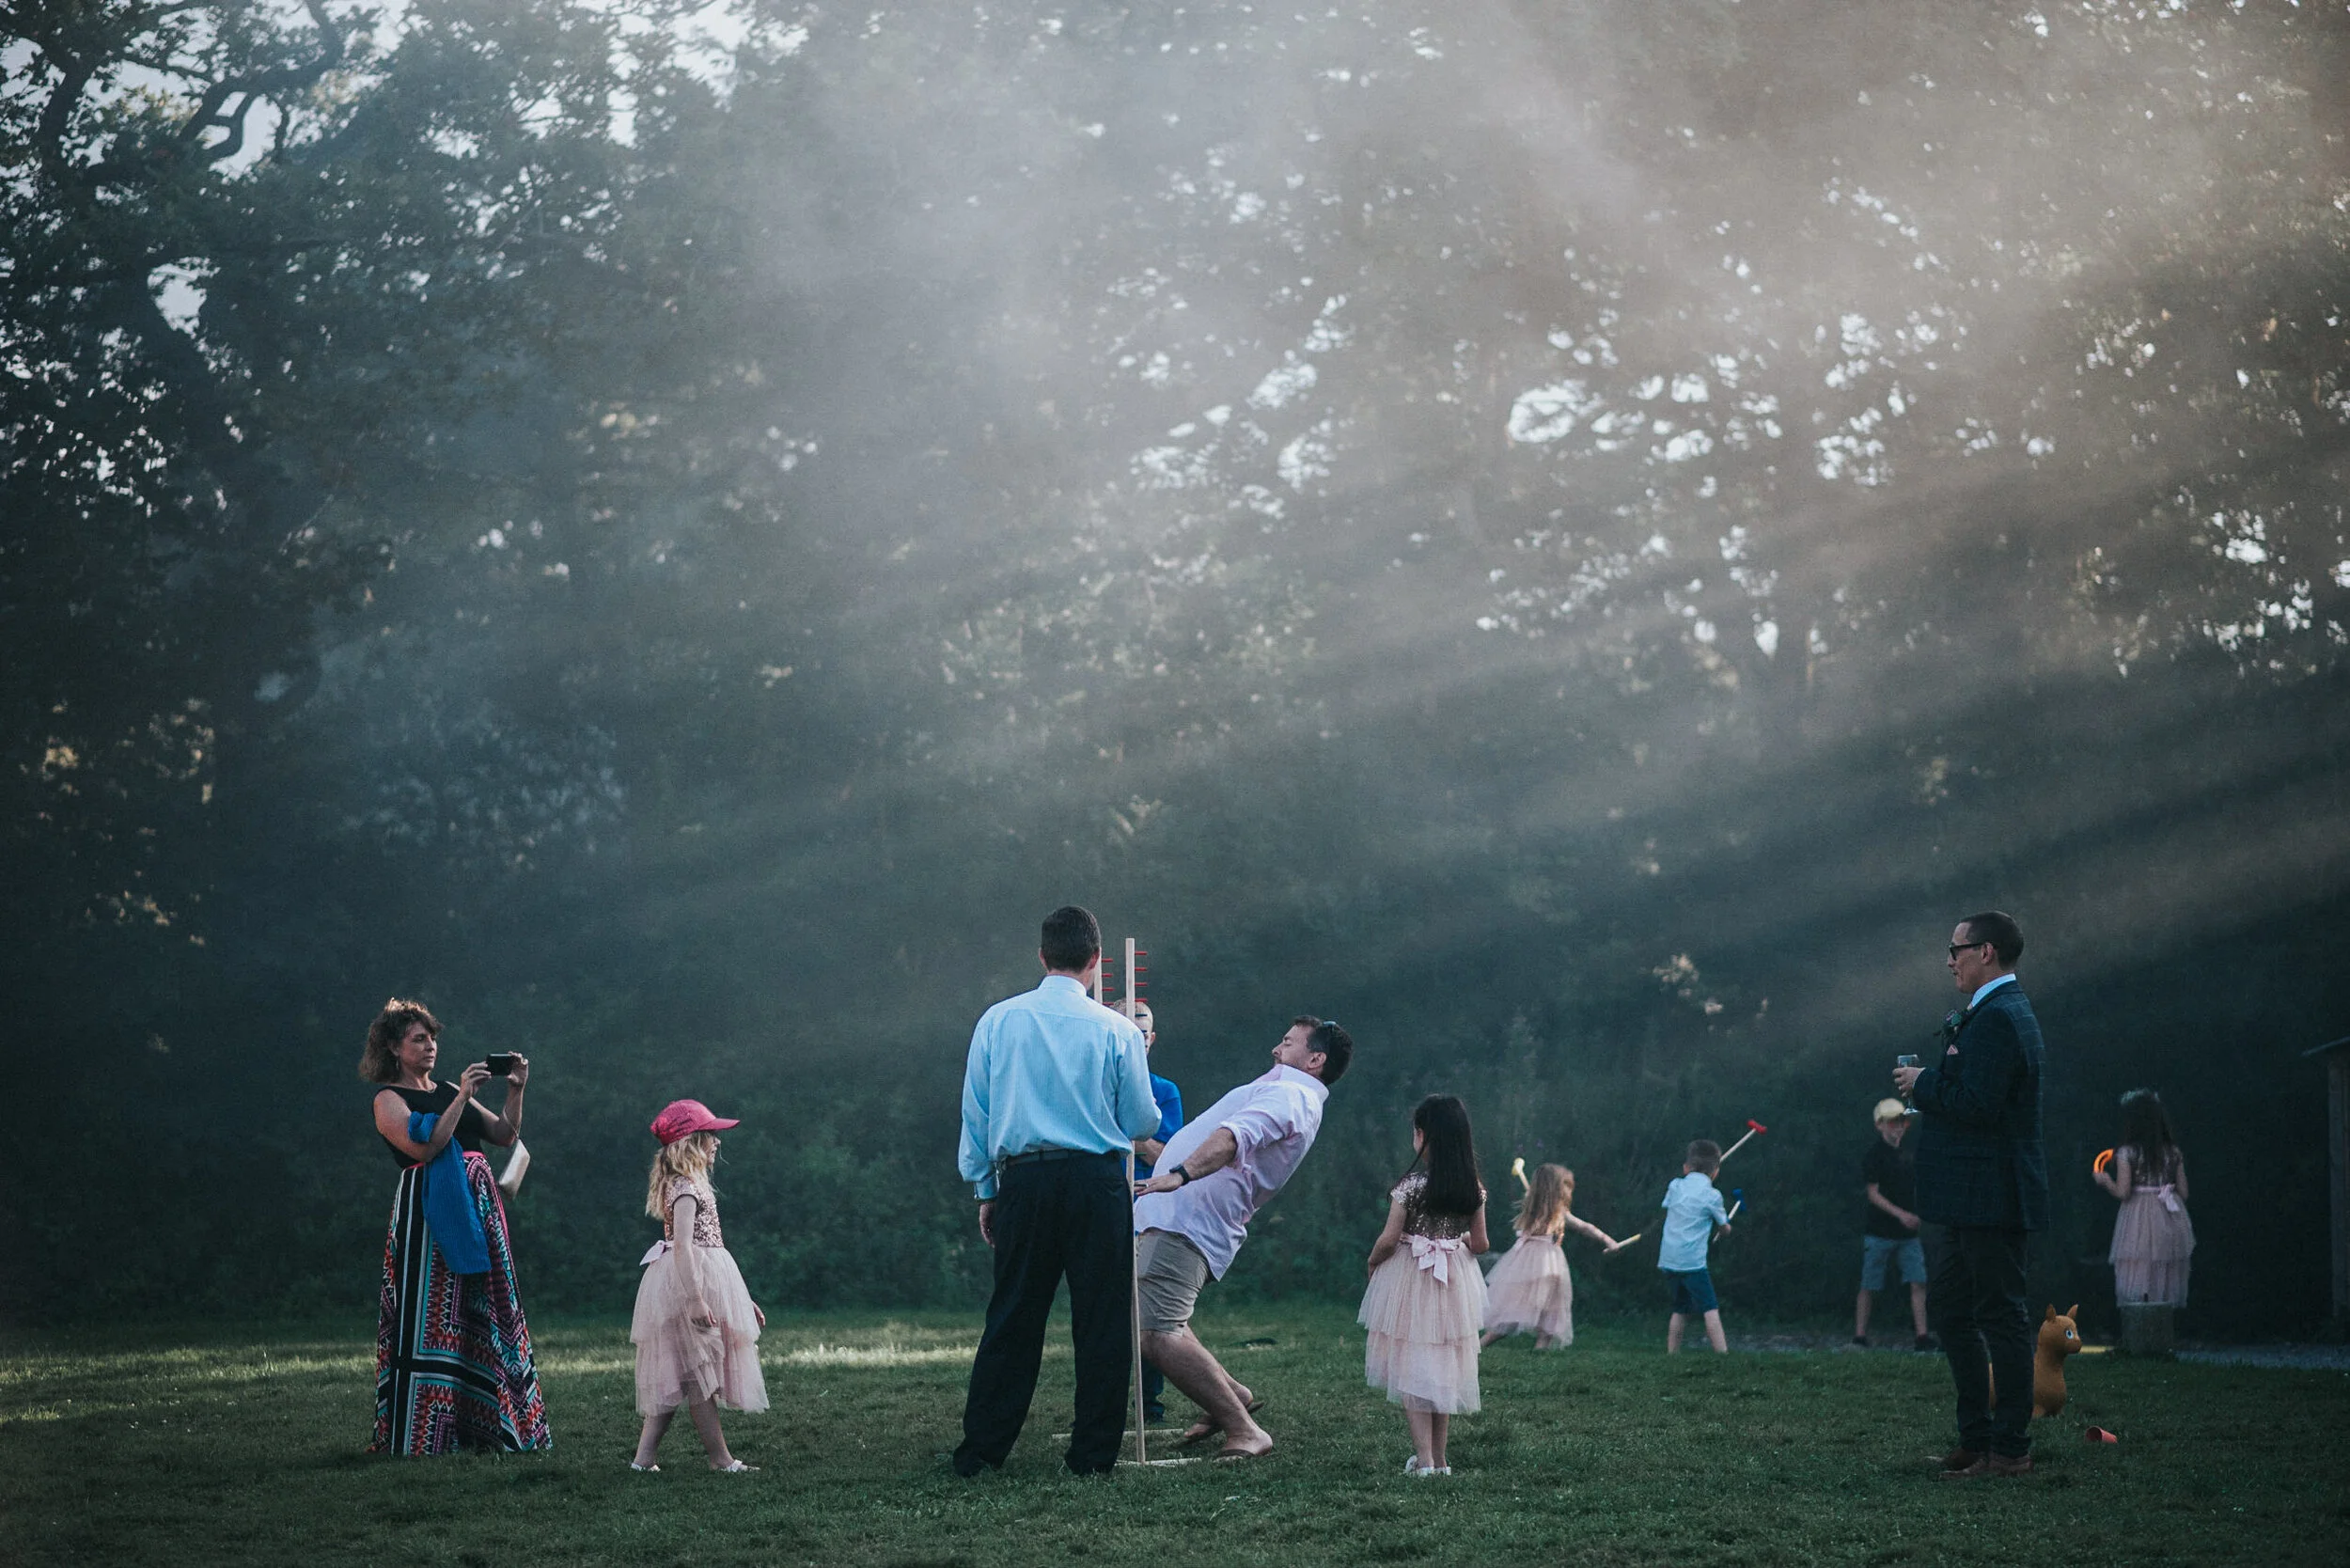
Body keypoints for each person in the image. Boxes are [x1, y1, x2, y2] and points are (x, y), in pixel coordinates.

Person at [954, 905, 1160, 1477]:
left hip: (1025, 1178)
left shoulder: (998, 1020)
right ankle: (1092, 1457)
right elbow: (1141, 1121)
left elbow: (978, 1112)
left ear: (1041, 956)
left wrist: (985, 1188)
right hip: (1097, 1183)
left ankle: (982, 1453)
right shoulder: (1118, 1030)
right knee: (1100, 1320)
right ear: (1096, 960)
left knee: (1014, 1316)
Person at [1131, 1016, 1354, 1459]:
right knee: (1154, 1319)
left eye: (1287, 1043)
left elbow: (1237, 1136)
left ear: (1315, 1059)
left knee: (1156, 1331)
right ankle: (1235, 1394)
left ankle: (1245, 1430)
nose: (1276, 1048)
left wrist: (1181, 1174)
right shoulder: (1286, 1089)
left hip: (1189, 1218)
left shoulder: (1292, 1095)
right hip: (1181, 1217)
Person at [1893, 910, 2048, 1481]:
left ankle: (2009, 1450)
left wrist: (1924, 1085)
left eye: (1955, 949)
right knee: (1951, 1312)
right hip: (1966, 1197)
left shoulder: (2002, 1016)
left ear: (1986, 952)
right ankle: (1975, 1439)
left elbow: (1980, 1105)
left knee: (2002, 1317)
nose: (1949, 960)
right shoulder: (1990, 1013)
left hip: (1993, 1194)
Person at [361, 998, 551, 1455]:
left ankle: (491, 1425)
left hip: (478, 1209)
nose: (430, 1047)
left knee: (486, 1307)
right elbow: (424, 1150)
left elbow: (505, 1135)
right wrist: (463, 1096)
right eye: (418, 1039)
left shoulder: (446, 1088)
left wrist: (516, 1090)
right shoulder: (389, 1100)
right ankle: (429, 1429)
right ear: (393, 1047)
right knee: (432, 1316)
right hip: (428, 1216)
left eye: (433, 1038)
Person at [631, 1100, 767, 1473]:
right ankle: (720, 1460)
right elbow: (685, 1246)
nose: (717, 1144)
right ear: (690, 1143)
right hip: (689, 1283)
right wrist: (694, 1299)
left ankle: (643, 1461)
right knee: (698, 1375)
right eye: (711, 1136)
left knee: (684, 1372)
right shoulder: (685, 1189)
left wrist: (741, 1300)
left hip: (703, 1278)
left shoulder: (689, 1185)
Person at [1361, 1095, 1491, 1476]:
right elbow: (1481, 1243)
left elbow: (1389, 1239)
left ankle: (1425, 1462)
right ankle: (1441, 1460)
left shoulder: (1411, 1186)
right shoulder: (1473, 1189)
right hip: (1453, 1281)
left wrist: (1372, 1262)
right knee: (1443, 1368)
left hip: (1412, 1279)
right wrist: (1457, 1242)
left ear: (1422, 1136)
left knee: (1412, 1368)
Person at [1480, 1163, 1624, 1350]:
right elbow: (1585, 1227)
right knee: (1551, 1308)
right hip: (1547, 1262)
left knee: (1516, 1306)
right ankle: (1539, 1347)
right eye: (1567, 1187)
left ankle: (1483, 1344)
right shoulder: (1554, 1211)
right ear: (1557, 1188)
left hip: (1524, 1260)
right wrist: (1608, 1240)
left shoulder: (1531, 1205)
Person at [1127, 999, 1183, 1425]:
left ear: (1152, 1040)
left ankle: (1150, 1405)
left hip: (1147, 1209)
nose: (1137, 1039)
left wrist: (1133, 1135)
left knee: (1148, 1307)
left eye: (1142, 1032)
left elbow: (1170, 1157)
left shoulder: (1164, 1090)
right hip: (1104, 1203)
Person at [2095, 1088, 2195, 1311]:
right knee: (2162, 1266)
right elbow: (2184, 1192)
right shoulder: (2173, 1152)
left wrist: (2104, 1181)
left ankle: (2140, 1328)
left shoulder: (2127, 1153)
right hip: (2170, 1213)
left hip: (2138, 1214)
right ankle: (2160, 1328)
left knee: (2139, 1264)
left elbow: (2123, 1192)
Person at [1855, 1098, 1932, 1351]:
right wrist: (1901, 1215)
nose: (1897, 1127)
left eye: (1901, 1122)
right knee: (1870, 1284)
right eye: (1891, 1123)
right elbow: (1873, 1194)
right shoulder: (1873, 1156)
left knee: (1918, 1281)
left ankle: (1922, 1337)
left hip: (1908, 1234)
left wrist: (1917, 1214)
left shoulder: (1909, 1155)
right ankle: (1860, 1336)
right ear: (1880, 1125)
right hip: (1878, 1233)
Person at [1658, 1138, 1733, 1354]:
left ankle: (1672, 1353)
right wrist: (1724, 1230)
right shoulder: (1712, 1196)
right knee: (1710, 1307)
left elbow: (1668, 1205)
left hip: (1669, 1259)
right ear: (1716, 1172)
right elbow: (1724, 1227)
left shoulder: (1674, 1186)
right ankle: (1722, 1353)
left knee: (1679, 1308)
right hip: (1692, 1263)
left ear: (1685, 1167)